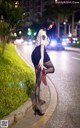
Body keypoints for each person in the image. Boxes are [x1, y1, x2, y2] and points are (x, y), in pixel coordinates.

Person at [31, 19, 55, 116]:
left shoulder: (40, 31)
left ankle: (38, 104)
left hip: (35, 54)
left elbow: (43, 44)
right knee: (52, 68)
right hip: (39, 53)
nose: (51, 26)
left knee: (38, 82)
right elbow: (41, 46)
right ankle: (43, 73)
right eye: (51, 24)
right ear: (48, 24)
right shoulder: (43, 32)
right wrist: (41, 59)